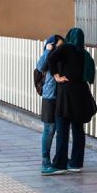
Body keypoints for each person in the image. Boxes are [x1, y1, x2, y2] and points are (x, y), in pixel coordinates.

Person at [42, 27, 96, 175]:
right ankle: (76, 163)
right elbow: (91, 75)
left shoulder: (67, 48)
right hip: (81, 93)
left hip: (66, 93)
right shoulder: (83, 53)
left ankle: (59, 164)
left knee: (62, 129)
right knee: (78, 129)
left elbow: (51, 58)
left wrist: (56, 75)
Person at [36, 34, 64, 170]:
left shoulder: (62, 57)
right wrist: (47, 50)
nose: (61, 49)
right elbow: (39, 66)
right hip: (49, 96)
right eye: (58, 46)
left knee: (61, 129)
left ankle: (60, 158)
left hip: (62, 97)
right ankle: (45, 161)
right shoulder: (47, 57)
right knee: (49, 129)